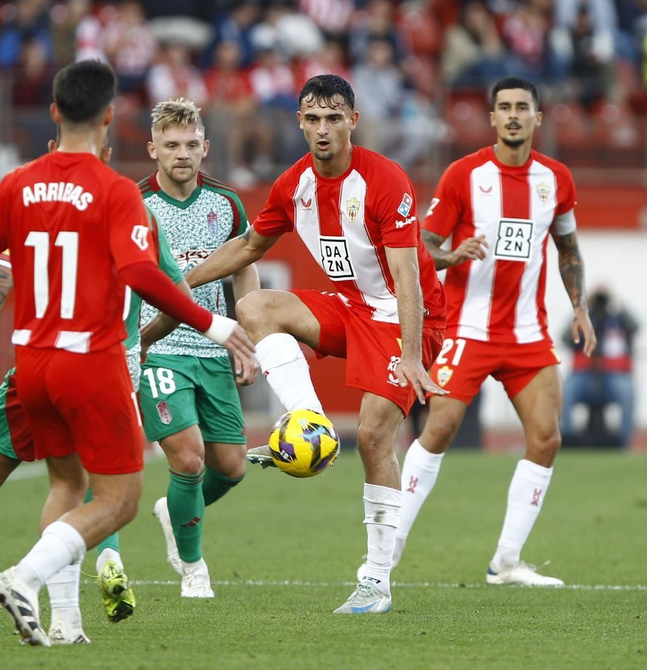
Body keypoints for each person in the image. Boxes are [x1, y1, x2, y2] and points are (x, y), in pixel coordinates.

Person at [0, 60, 257, 646]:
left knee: (65, 488)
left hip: (32, 370)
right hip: (92, 365)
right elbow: (144, 274)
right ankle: (25, 577)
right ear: (108, 119)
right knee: (119, 499)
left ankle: (67, 624)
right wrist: (216, 325)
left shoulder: (17, 182)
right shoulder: (117, 191)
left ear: (53, 113)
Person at [177, 74, 446, 615]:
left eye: (333, 118)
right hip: (349, 309)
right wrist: (179, 286)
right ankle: (310, 423)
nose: (323, 129)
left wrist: (414, 355)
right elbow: (252, 245)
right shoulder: (293, 184)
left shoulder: (385, 180)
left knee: (373, 437)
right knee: (254, 306)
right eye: (312, 118)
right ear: (299, 121)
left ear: (353, 120)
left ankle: (376, 579)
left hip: (404, 318)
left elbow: (409, 278)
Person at [0, 140, 189, 633]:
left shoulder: (28, 198)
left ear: (51, 146)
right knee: (102, 488)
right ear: (107, 146)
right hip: (111, 367)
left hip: (39, 362)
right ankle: (97, 573)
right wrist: (147, 343)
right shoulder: (133, 207)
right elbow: (176, 294)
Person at [395, 77, 594, 587]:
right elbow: (421, 248)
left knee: (547, 437)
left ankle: (506, 560)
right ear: (492, 118)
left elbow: (567, 249)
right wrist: (451, 255)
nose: (512, 115)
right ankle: (389, 547)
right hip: (470, 328)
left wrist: (581, 308)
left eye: (521, 107)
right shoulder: (464, 175)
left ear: (537, 118)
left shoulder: (556, 180)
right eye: (503, 107)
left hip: (528, 333)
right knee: (438, 428)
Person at [133, 98, 260, 598]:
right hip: (156, 345)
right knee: (188, 459)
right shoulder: (135, 204)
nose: (181, 154)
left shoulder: (226, 204)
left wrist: (247, 329)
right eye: (170, 145)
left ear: (205, 148)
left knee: (230, 467)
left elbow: (245, 262)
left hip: (213, 346)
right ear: (153, 149)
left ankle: (176, 510)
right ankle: (193, 570)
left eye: (190, 145)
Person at [561, 286, 639, 448]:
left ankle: (623, 443)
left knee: (628, 391)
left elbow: (636, 327)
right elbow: (565, 337)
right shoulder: (584, 319)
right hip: (583, 375)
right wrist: (582, 308)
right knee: (565, 392)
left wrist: (617, 302)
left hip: (614, 375)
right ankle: (567, 441)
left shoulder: (618, 319)